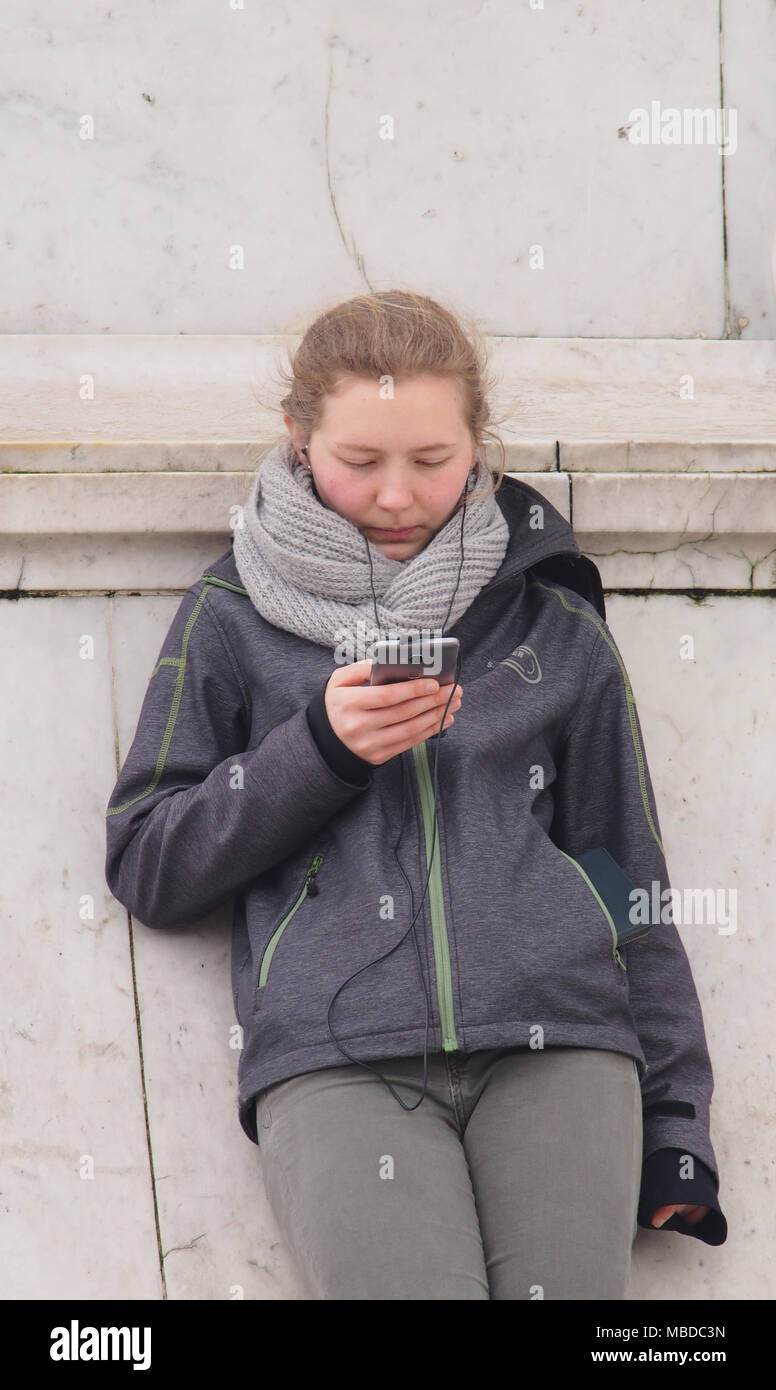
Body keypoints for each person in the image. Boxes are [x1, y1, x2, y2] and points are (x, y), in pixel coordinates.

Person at [105, 290, 727, 1300]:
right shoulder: (228, 616)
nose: (397, 494)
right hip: (340, 1062)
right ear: (298, 439)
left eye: (432, 462)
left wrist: (674, 1121)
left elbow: (624, 879)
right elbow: (149, 861)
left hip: (561, 1046)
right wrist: (317, 751)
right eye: (360, 461)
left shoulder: (548, 619)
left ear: (478, 446)